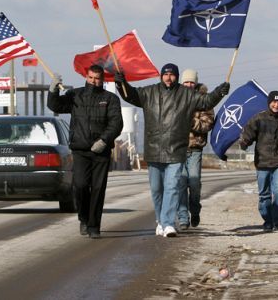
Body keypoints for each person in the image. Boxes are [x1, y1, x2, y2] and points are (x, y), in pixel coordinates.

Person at [115, 63, 229, 238]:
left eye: (172, 75)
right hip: (154, 148)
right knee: (156, 188)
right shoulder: (149, 92)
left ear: (177, 77)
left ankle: (168, 223)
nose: (169, 77)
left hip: (176, 149)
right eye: (166, 74)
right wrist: (121, 83)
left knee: (172, 186)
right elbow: (130, 96)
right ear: (161, 76)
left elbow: (206, 101)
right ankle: (160, 220)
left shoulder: (187, 94)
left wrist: (219, 92)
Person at [47, 65, 123, 239]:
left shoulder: (110, 99)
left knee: (97, 188)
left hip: (101, 151)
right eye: (90, 78)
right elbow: (56, 106)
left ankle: (94, 225)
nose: (93, 81)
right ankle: (83, 217)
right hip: (80, 150)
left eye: (97, 78)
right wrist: (53, 90)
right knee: (80, 185)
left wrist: (104, 140)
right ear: (86, 77)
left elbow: (116, 123)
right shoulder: (75, 95)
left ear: (102, 79)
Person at [239, 91, 278, 233]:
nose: (276, 105)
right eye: (274, 102)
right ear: (269, 102)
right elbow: (248, 133)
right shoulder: (259, 118)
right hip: (262, 161)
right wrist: (244, 141)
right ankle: (268, 220)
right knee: (264, 194)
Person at [177, 69, 215, 230]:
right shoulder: (175, 98)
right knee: (180, 184)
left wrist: (190, 121)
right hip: (177, 149)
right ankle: (183, 217)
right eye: (186, 82)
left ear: (195, 83)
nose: (188, 85)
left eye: (191, 82)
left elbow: (207, 123)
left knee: (193, 183)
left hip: (195, 149)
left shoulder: (204, 100)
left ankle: (195, 210)